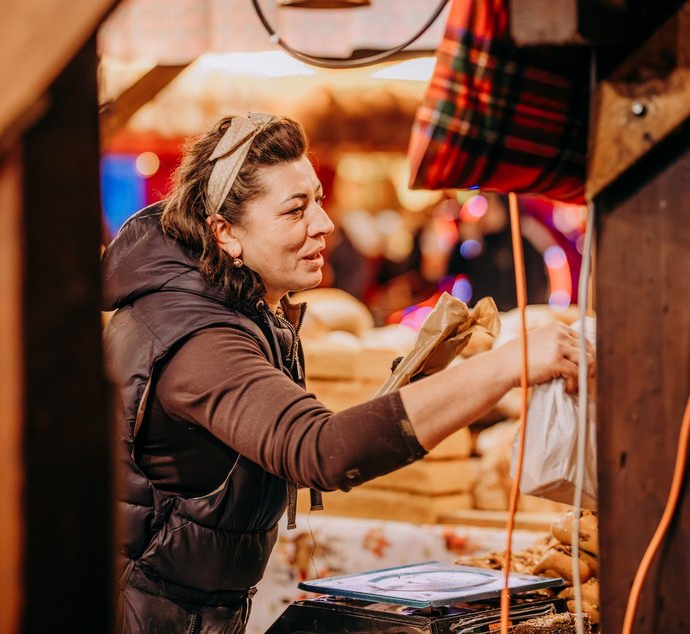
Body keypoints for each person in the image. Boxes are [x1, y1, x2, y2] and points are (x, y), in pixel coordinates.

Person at [101, 113, 591, 633]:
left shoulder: (232, 308)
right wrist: (507, 365)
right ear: (225, 232)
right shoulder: (196, 336)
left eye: (317, 200)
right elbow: (319, 448)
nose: (324, 223)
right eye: (295, 210)